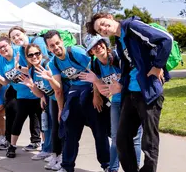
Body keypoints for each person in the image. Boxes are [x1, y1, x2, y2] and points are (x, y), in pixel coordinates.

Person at [86, 12, 172, 172]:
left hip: (148, 92)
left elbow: (166, 39)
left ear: (110, 17)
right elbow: (128, 67)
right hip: (130, 93)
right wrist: (120, 85)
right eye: (100, 29)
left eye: (104, 23)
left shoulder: (132, 27)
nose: (104, 28)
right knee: (122, 140)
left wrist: (158, 66)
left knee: (149, 140)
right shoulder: (120, 40)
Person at [43, 30, 111, 172]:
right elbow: (58, 89)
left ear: (62, 41)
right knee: (70, 132)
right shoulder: (53, 63)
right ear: (48, 48)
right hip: (75, 94)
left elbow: (96, 70)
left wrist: (97, 96)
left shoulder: (76, 52)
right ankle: (67, 166)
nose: (56, 47)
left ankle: (107, 165)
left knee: (99, 131)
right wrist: (61, 109)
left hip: (91, 91)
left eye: (57, 43)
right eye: (51, 46)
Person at [79, 34, 142, 172]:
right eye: (93, 47)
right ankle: (112, 169)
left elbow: (133, 76)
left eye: (99, 43)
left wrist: (119, 85)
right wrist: (96, 88)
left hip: (132, 100)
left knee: (134, 138)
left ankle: (135, 169)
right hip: (116, 102)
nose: (98, 47)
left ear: (105, 44)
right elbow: (101, 87)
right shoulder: (95, 64)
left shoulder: (118, 57)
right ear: (91, 52)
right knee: (115, 138)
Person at [0, 36, 42, 158]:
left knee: (41, 121)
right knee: (18, 120)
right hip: (22, 95)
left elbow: (33, 65)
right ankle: (12, 146)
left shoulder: (20, 51)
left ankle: (43, 146)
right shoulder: (1, 62)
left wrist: (18, 66)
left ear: (10, 44)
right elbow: (6, 82)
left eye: (4, 46)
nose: (2, 49)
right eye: (0, 48)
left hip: (37, 92)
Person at [19, 43, 63, 169]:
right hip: (52, 99)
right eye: (30, 55)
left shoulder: (47, 65)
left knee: (61, 128)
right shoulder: (32, 70)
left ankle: (62, 157)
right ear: (27, 58)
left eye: (37, 53)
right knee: (52, 127)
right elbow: (40, 92)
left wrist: (60, 107)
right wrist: (32, 87)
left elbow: (58, 88)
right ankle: (55, 154)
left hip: (60, 98)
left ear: (41, 53)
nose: (34, 57)